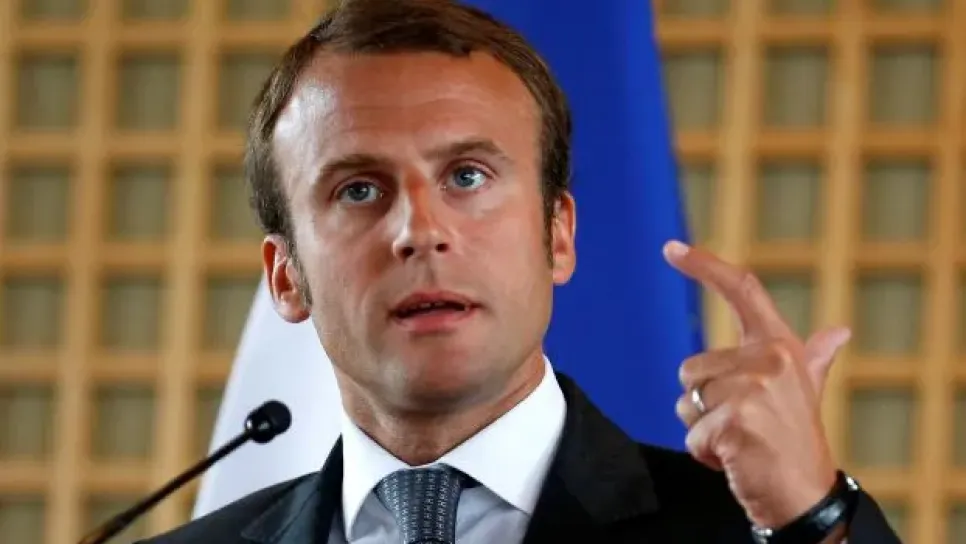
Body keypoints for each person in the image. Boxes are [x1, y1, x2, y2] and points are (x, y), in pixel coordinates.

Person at [139, 0, 901, 542]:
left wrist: (816, 520)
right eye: (359, 190)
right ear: (285, 277)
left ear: (558, 235)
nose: (420, 231)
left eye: (467, 176)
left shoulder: (753, 529)